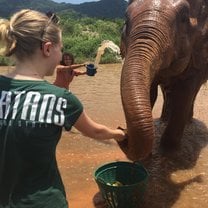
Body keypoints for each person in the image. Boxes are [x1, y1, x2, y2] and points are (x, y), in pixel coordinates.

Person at [0, 9, 126, 208]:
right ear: (48, 49)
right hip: (44, 201)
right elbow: (94, 131)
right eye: (61, 48)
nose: (62, 55)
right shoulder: (61, 99)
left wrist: (59, 87)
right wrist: (120, 134)